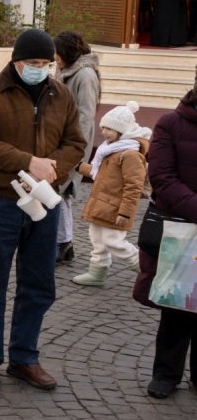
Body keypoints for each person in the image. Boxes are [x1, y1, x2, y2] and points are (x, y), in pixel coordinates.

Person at [0, 29, 86, 392]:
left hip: (44, 200)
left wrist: (52, 167)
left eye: (46, 64)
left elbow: (76, 142)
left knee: (38, 283)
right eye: (33, 63)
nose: (40, 69)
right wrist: (28, 162)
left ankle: (24, 356)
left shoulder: (60, 93)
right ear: (16, 61)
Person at [133, 86, 197, 399]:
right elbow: (162, 178)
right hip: (182, 228)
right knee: (178, 306)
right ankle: (166, 374)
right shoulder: (170, 123)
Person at [72, 102, 150, 287]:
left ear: (122, 130)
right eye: (103, 127)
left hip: (115, 209)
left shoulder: (130, 154)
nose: (104, 132)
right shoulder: (111, 149)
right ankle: (97, 273)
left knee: (113, 241)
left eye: (109, 128)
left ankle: (147, 270)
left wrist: (125, 213)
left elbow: (134, 186)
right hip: (101, 204)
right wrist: (79, 166)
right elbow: (102, 174)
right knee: (97, 240)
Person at [53, 30, 100, 265]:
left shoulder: (85, 75)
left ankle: (64, 243)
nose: (55, 58)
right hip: (59, 138)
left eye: (58, 53)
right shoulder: (63, 70)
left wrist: (74, 146)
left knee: (62, 189)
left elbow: (86, 114)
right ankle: (61, 241)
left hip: (72, 141)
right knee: (57, 190)